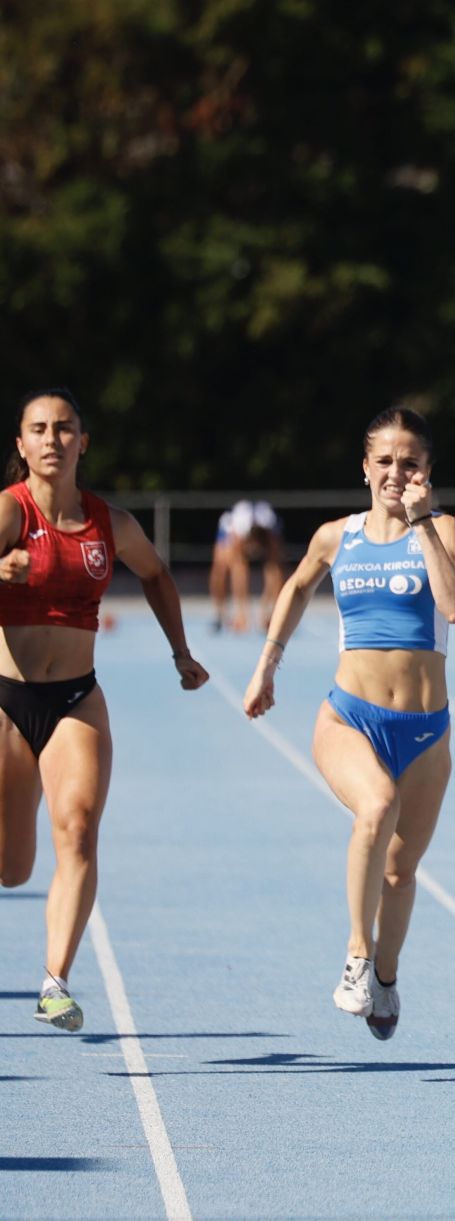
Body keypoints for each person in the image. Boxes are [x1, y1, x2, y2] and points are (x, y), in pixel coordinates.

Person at [243, 408, 455, 1040]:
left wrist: (421, 522)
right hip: (349, 716)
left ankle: (387, 979)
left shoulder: (446, 529)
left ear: (427, 471)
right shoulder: (335, 537)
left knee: (400, 872)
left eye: (411, 462)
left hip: (425, 731)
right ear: (365, 466)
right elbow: (294, 588)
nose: (396, 473)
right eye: (385, 461)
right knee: (376, 806)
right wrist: (268, 665)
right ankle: (356, 955)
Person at [0, 388, 209, 1031]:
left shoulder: (108, 523)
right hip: (7, 702)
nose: (53, 438)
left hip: (76, 700)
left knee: (79, 828)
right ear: (21, 444)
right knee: (13, 868)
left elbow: (154, 574)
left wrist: (182, 653)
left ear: (83, 442)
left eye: (65, 428)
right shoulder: (10, 514)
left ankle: (55, 982)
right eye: (39, 428)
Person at [209, 499, 286, 633]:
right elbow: (238, 571)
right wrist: (243, 614)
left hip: (261, 526)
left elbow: (275, 573)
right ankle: (222, 613)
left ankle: (272, 614)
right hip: (232, 527)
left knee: (275, 567)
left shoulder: (271, 531)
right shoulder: (238, 530)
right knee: (220, 568)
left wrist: (268, 612)